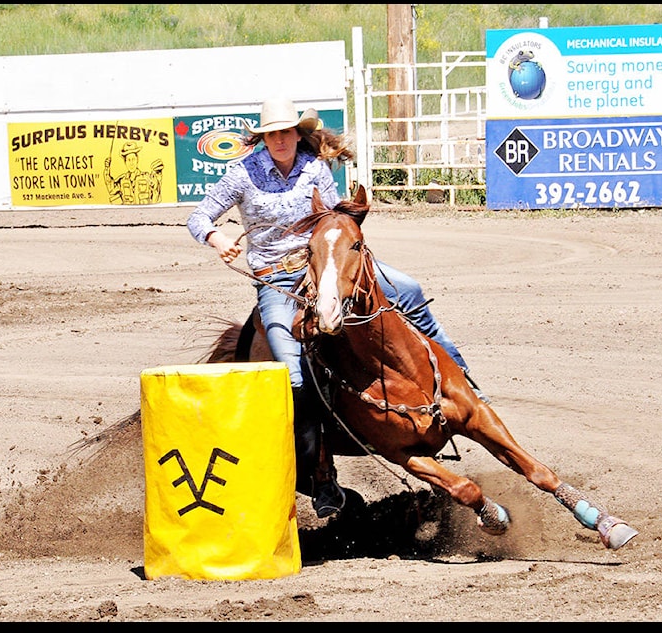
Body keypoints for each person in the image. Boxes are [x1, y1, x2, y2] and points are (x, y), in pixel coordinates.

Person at [186, 97, 489, 518]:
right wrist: (218, 238)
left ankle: (462, 380)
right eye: (271, 134)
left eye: (286, 132)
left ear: (297, 133)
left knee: (410, 291)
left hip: (328, 265)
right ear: (263, 139)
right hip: (277, 279)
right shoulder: (242, 174)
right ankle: (322, 474)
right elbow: (199, 217)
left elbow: (332, 219)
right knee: (290, 365)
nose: (279, 140)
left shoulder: (314, 167)